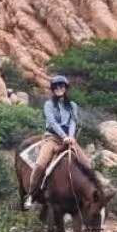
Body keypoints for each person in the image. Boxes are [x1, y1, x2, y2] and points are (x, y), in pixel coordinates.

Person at [24, 74, 85, 211]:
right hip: (52, 138)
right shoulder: (49, 104)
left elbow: (73, 122)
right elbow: (52, 122)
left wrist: (70, 136)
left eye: (61, 86)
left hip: (69, 139)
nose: (59, 88)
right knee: (40, 165)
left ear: (65, 88)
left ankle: (85, 194)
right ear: (53, 89)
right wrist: (64, 136)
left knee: (87, 164)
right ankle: (31, 194)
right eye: (56, 87)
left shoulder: (72, 105)